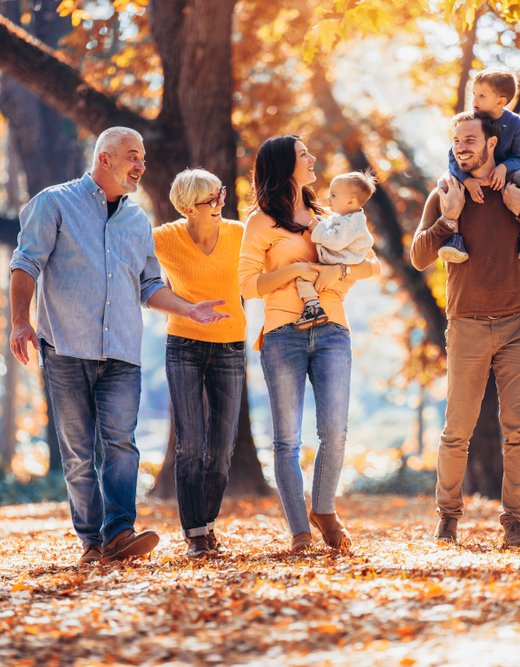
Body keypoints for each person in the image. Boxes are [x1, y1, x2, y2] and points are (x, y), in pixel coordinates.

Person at [9, 127, 229, 566]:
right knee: (78, 453)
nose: (141, 166)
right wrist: (19, 322)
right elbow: (25, 263)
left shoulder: (136, 220)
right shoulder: (54, 203)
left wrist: (190, 310)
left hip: (122, 352)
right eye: (133, 157)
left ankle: (119, 534)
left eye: (143, 158)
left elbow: (149, 285)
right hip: (67, 347)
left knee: (121, 444)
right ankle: (91, 541)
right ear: (104, 159)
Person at [411, 110, 520, 549]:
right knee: (456, 430)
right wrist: (448, 219)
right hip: (465, 326)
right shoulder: (445, 192)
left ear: (491, 144)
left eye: (470, 139)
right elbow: (419, 257)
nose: (461, 147)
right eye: (456, 140)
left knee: (518, 431)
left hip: (518, 323)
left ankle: (514, 524)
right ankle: (447, 520)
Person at [238, 135, 382, 552]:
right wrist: (295, 270)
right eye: (304, 155)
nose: (313, 158)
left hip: (333, 329)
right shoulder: (261, 222)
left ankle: (324, 509)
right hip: (283, 333)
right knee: (286, 439)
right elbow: (248, 285)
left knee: (334, 432)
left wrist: (335, 277)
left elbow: (369, 263)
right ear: (285, 166)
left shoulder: (330, 214)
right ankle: (301, 531)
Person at [153, 169, 247, 559]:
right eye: (212, 199)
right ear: (189, 207)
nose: (221, 203)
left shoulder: (240, 234)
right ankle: (195, 536)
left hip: (230, 345)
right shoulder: (164, 238)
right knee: (189, 444)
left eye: (221, 194)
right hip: (184, 345)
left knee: (222, 451)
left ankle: (205, 525)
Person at [438, 67, 520, 264]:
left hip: (503, 174)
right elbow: (452, 156)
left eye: (482, 96)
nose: (474, 100)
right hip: (473, 171)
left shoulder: (514, 123)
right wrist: (467, 180)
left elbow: (519, 158)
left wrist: (504, 168)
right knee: (444, 182)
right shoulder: (471, 120)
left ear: (500, 101)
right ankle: (453, 238)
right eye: (473, 94)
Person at [293, 171, 377, 329]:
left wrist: (317, 229)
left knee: (303, 279)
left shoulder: (351, 223)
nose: (328, 198)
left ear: (350, 201)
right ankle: (316, 308)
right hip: (338, 270)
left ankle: (313, 309)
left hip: (339, 273)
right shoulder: (346, 217)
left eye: (333, 195)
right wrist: (321, 222)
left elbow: (334, 241)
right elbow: (333, 228)